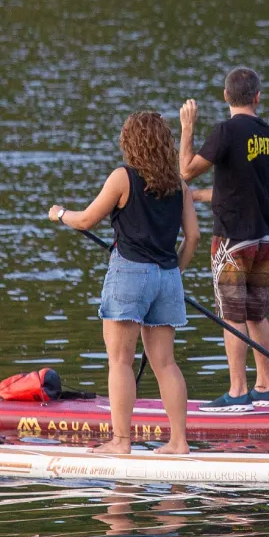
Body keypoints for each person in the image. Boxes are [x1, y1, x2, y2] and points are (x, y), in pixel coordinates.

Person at [49, 111, 199, 455]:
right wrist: (173, 270)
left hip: (129, 273)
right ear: (165, 144)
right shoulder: (181, 185)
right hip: (167, 277)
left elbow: (86, 219)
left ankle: (120, 442)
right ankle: (178, 442)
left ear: (130, 144)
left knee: (120, 361)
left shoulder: (123, 178)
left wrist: (59, 214)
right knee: (166, 363)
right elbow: (193, 237)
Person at [180, 66, 269, 411]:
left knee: (232, 316)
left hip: (232, 240)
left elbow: (186, 169)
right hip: (262, 238)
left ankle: (238, 393)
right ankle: (265, 388)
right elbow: (243, 190)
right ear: (257, 97)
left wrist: (188, 127)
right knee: (257, 314)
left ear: (226, 96)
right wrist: (198, 196)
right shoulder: (268, 135)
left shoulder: (225, 131)